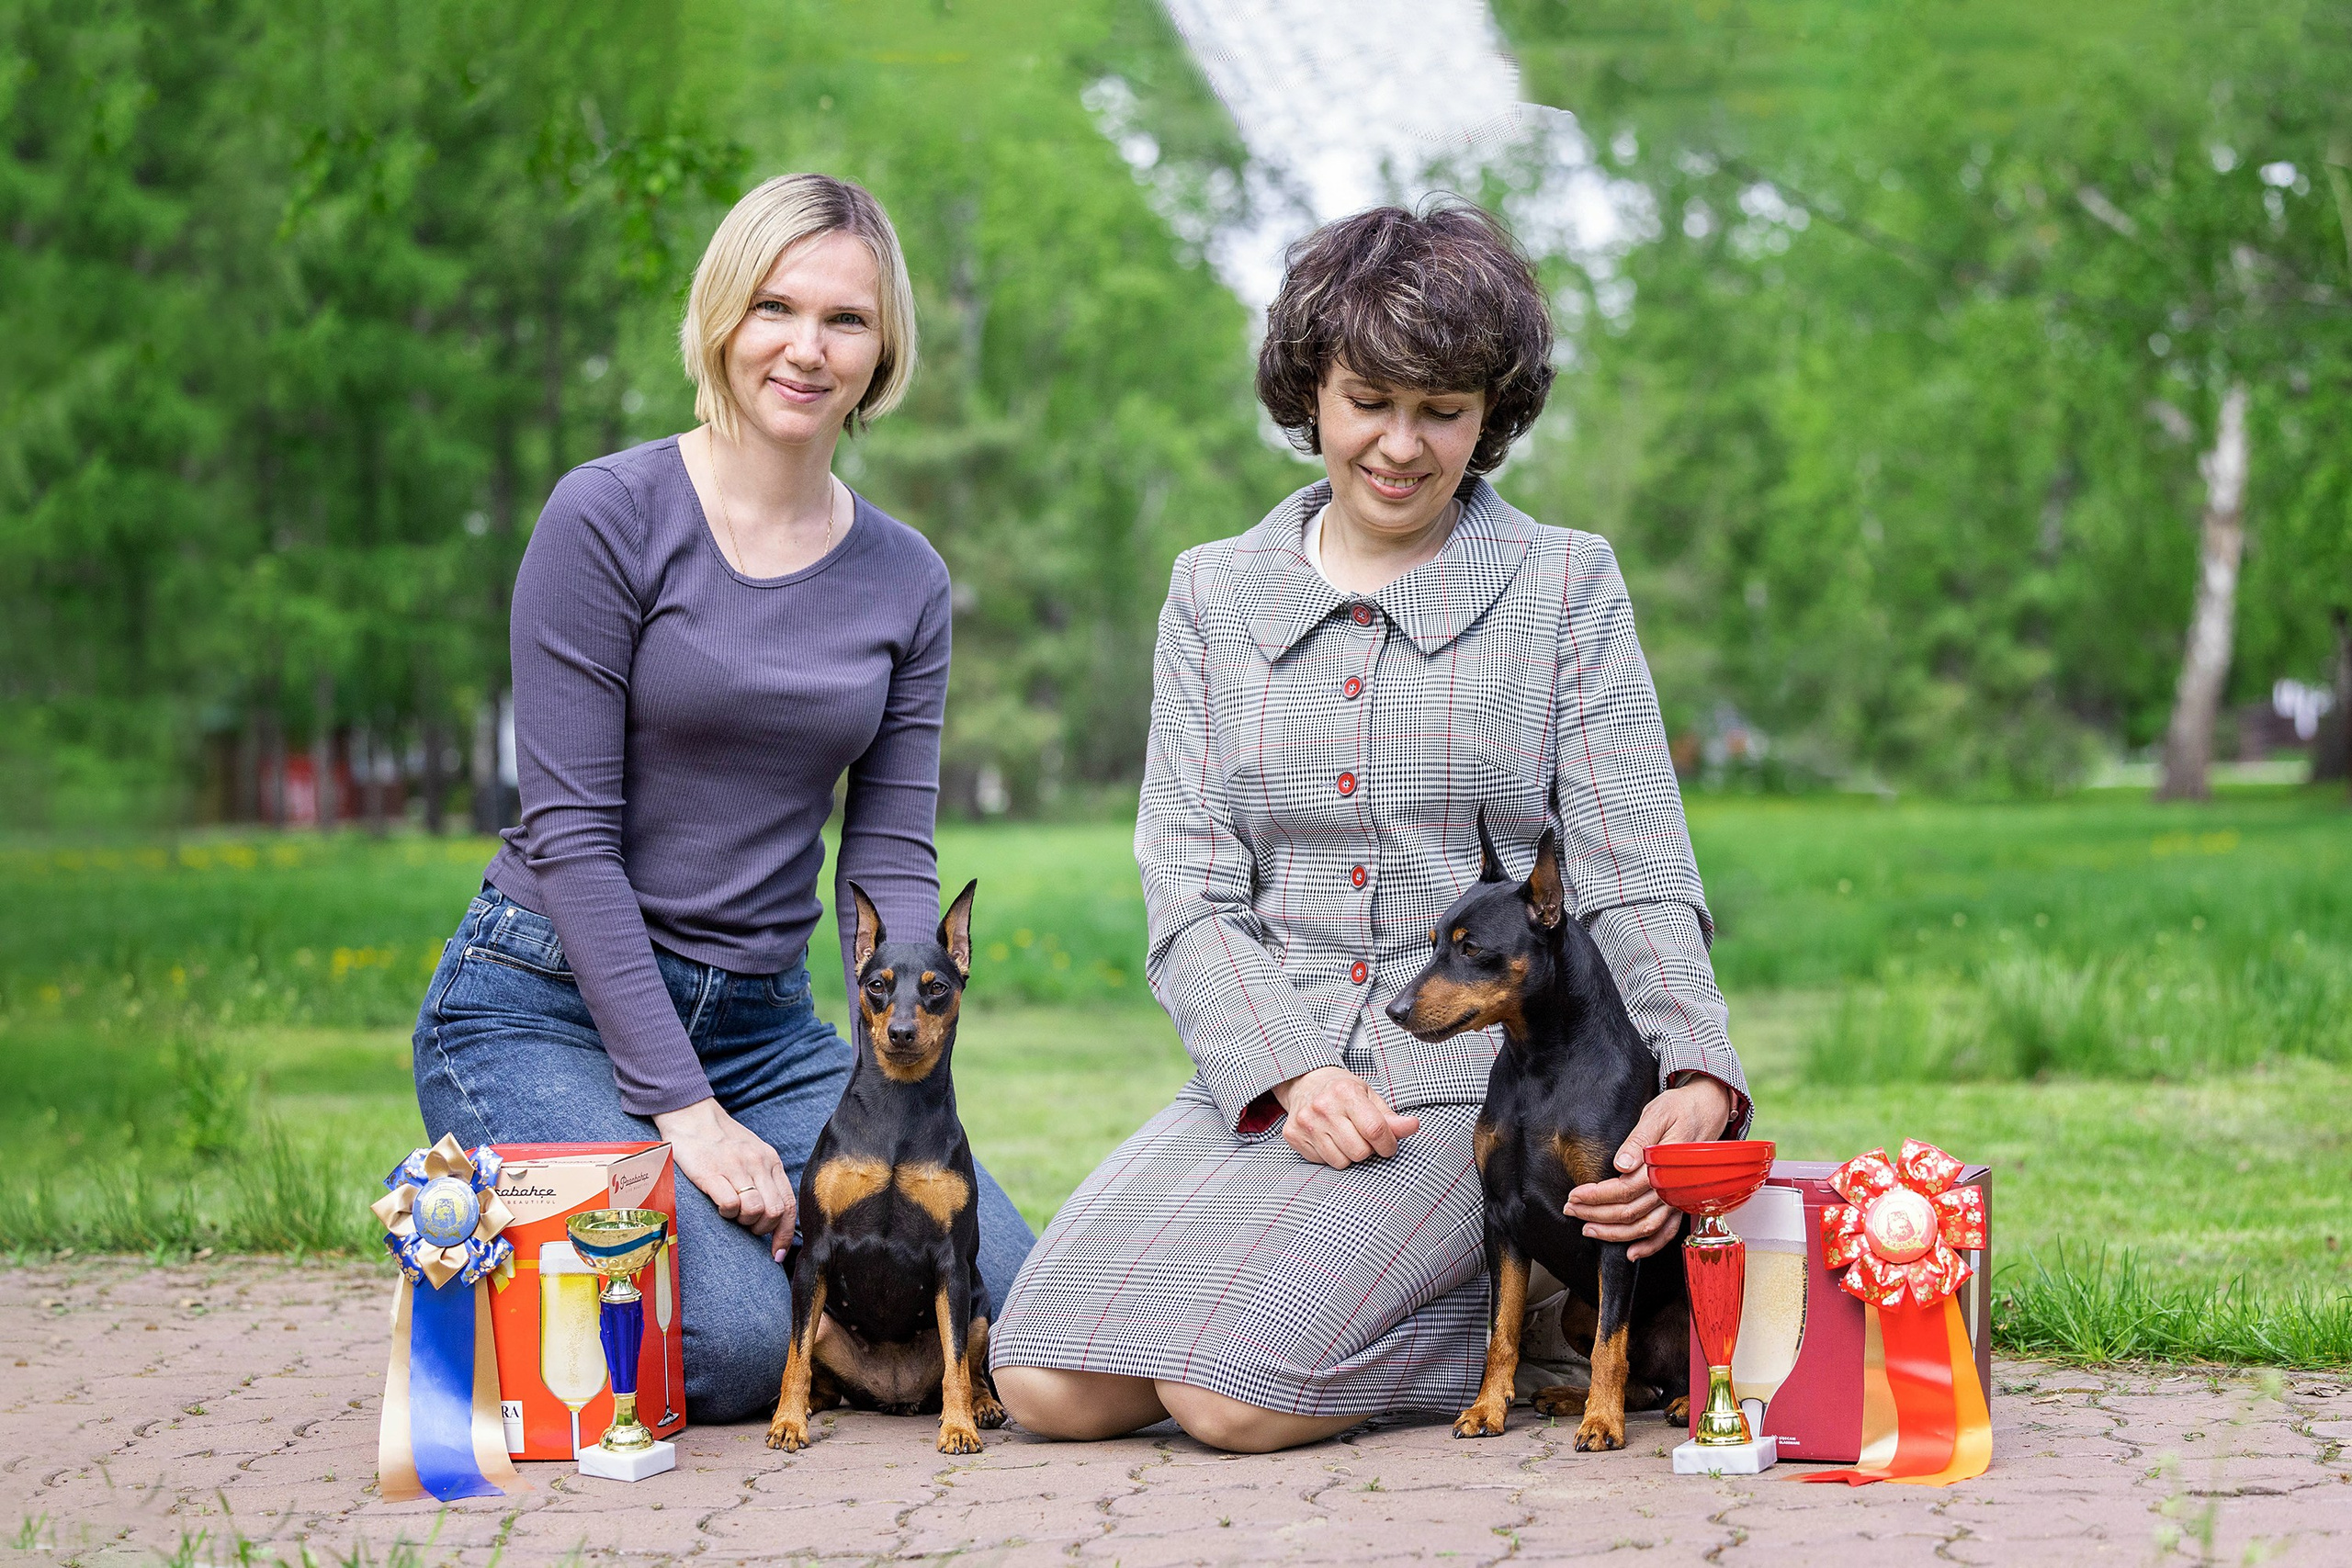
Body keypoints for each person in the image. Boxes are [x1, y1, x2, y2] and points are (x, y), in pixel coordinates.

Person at [989, 202, 1750, 1453]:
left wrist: (1700, 1071)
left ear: (1489, 416)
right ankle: (1446, 1288)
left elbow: (1632, 864)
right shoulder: (1215, 594)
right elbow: (1185, 886)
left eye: (1441, 411)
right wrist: (1286, 1071)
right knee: (1045, 1385)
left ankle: (1529, 1283)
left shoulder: (1564, 585)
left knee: (1228, 1402)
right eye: (1368, 401)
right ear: (1313, 395)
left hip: (1481, 1089)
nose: (1400, 446)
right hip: (1267, 1071)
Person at [411, 173, 1034, 1422]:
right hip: (546, 1004)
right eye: (774, 307)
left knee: (1014, 1306)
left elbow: (893, 854)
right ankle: (482, 1236)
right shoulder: (608, 515)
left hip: (763, 1029)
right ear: (720, 319)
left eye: (846, 320)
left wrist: (905, 1030)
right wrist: (685, 1117)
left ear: (883, 348)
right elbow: (573, 841)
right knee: (741, 1353)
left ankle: (683, 1229)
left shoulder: (906, 576)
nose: (807, 348)